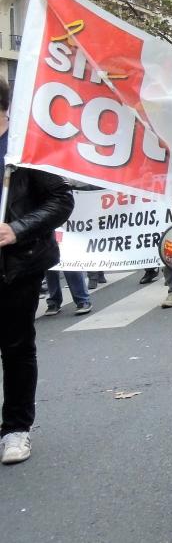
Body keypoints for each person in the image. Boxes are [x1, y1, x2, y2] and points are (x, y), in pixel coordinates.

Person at [0, 78, 74, 465]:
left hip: (17, 265)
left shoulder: (24, 149)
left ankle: (15, 429)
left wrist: (17, 229)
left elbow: (61, 200)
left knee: (14, 347)